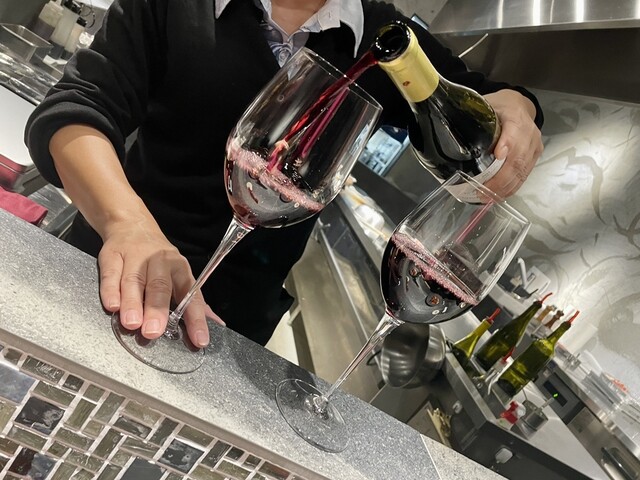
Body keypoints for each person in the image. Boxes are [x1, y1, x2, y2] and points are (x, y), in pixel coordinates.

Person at [25, 0, 544, 348]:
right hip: (112, 265)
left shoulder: (386, 39)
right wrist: (128, 225)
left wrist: (518, 108)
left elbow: (488, 96)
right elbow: (75, 108)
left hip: (232, 324)